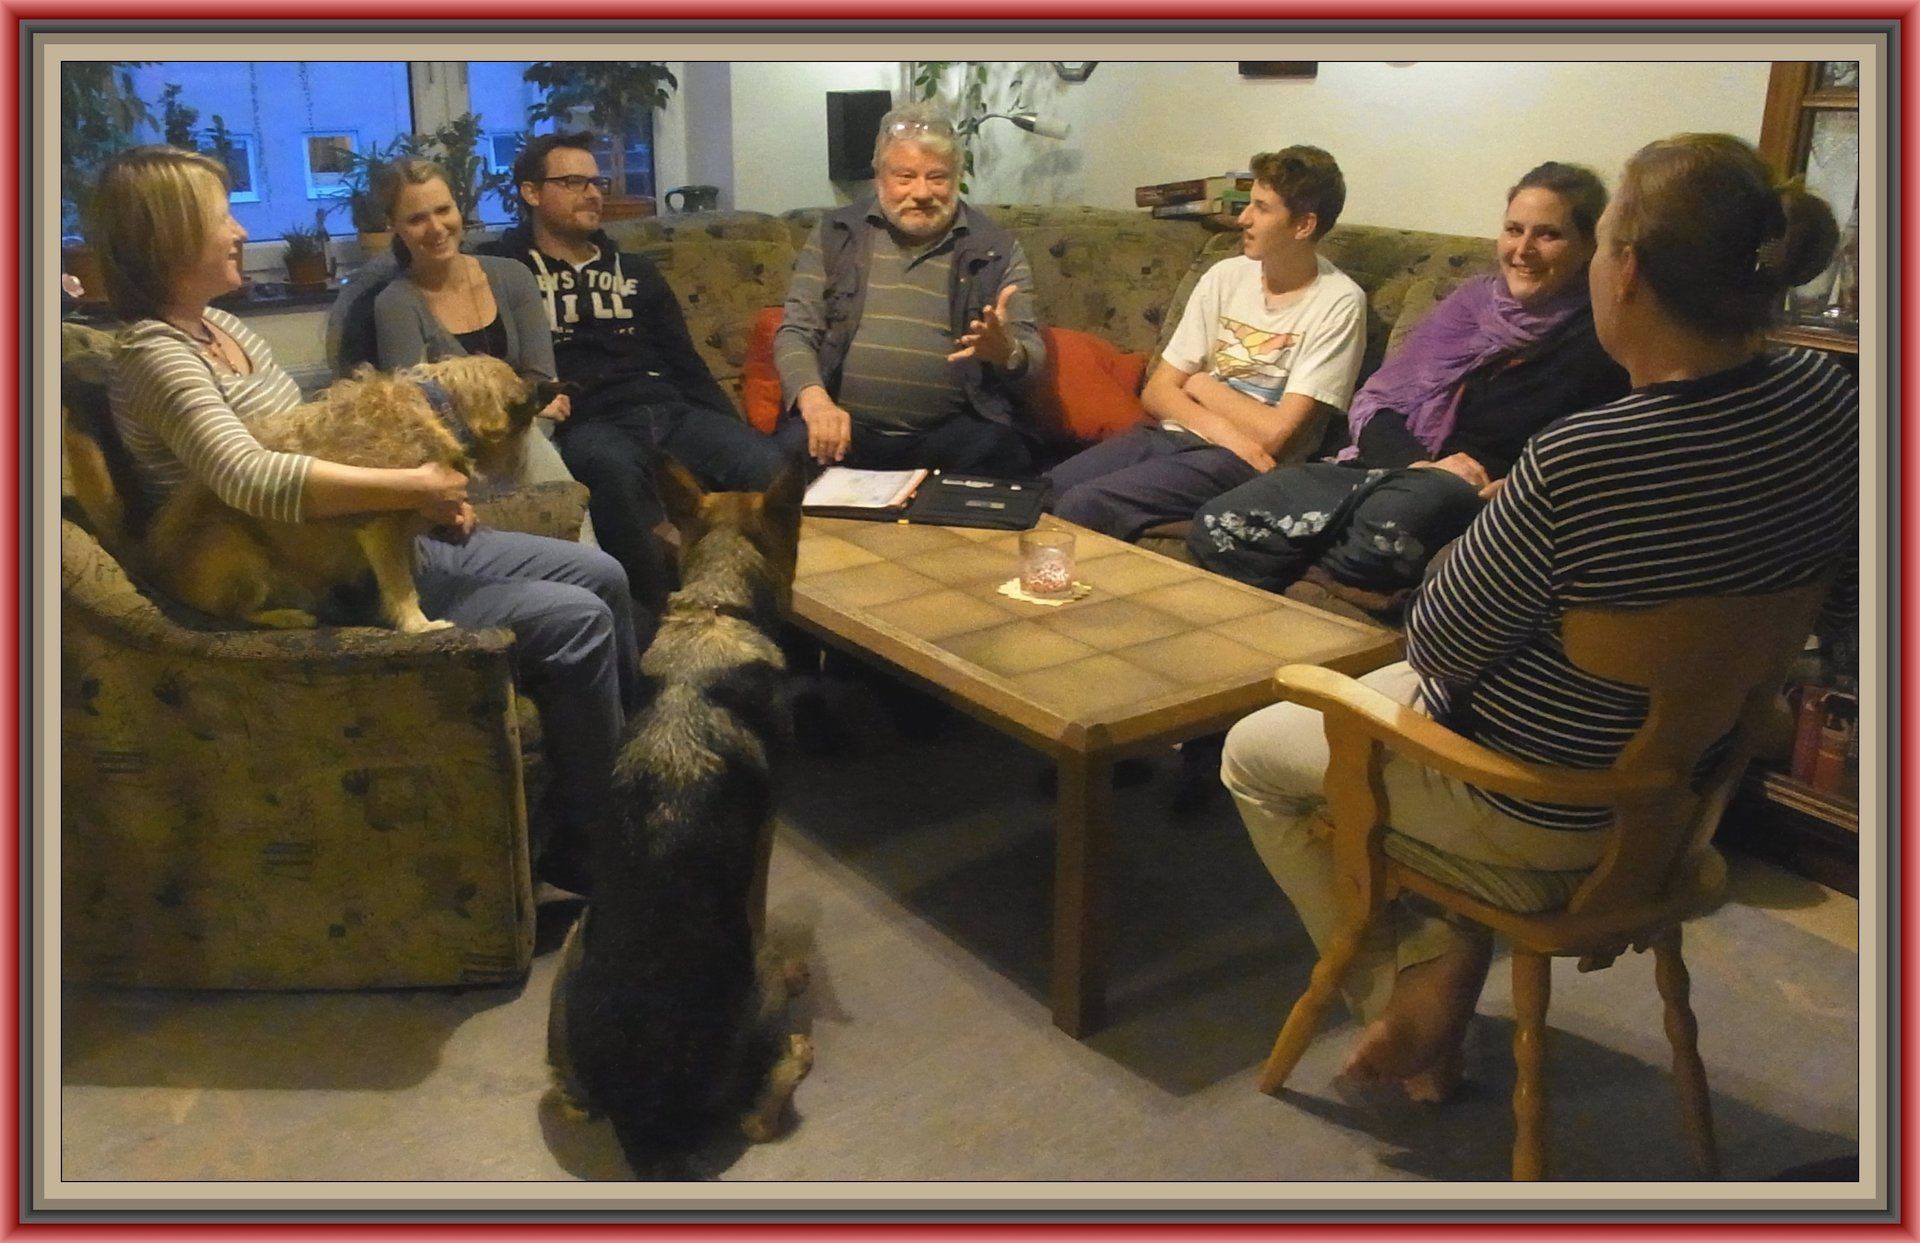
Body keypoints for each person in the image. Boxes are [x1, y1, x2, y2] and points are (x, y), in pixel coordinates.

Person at [1220, 132, 1855, 1103]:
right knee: (1379, 691)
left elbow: (1441, 641)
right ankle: (1443, 946)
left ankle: (1408, 986)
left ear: (1625, 269)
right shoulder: (1833, 400)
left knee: (1257, 750)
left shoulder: (1585, 458)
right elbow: (1842, 601)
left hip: (1538, 798)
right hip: (1688, 792)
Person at [93, 145, 639, 897]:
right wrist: (415, 483)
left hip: (376, 538)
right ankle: (604, 853)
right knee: (577, 618)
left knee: (604, 573)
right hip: (314, 577)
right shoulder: (157, 356)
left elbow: (317, 438)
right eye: (222, 217)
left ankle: (627, 791)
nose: (241, 231)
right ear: (168, 237)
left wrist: (422, 500)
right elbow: (249, 478)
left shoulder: (223, 330)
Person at [1188, 162, 1629, 605]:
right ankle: (1335, 573)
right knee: (1218, 520)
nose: (1523, 249)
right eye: (1514, 230)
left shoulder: (1602, 336)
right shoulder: (1469, 305)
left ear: (1587, 246)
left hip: (1467, 497)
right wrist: (1421, 465)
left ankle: (1318, 564)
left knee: (1405, 514)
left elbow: (1593, 458)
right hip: (1394, 472)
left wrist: (1518, 487)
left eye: (1548, 234)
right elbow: (1377, 405)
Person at [478, 131, 787, 612]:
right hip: (590, 419)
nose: (593, 193)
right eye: (574, 182)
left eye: (596, 182)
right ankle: (661, 614)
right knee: (612, 472)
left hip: (668, 409)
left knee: (769, 467)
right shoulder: (504, 271)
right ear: (531, 192)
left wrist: (732, 430)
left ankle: (779, 609)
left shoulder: (637, 270)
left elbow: (685, 361)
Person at [1044, 146, 1365, 541]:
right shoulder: (1225, 277)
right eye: (1249, 204)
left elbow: (1275, 435)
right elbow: (1157, 391)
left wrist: (1198, 385)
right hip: (1185, 436)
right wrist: (1225, 425)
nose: (1244, 219)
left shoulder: (1338, 302)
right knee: (1044, 491)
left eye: (1262, 209)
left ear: (1303, 225)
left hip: (1240, 465)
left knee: (1085, 504)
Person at [772, 101, 1044, 476]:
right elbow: (795, 333)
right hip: (846, 429)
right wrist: (815, 401)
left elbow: (1033, 356)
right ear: (878, 178)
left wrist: (1007, 352)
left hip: (950, 435)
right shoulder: (836, 235)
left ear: (957, 177)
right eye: (905, 177)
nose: (921, 192)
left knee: (1003, 451)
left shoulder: (997, 248)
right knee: (781, 459)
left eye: (937, 177)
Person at [368, 158, 579, 502]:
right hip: (456, 460)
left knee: (533, 442)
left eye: (443, 210)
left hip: (533, 438)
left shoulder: (513, 277)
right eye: (417, 219)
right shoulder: (395, 304)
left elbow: (542, 385)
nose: (436, 227)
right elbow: (414, 417)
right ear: (394, 227)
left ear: (459, 209)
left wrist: (520, 408)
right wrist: (517, 411)